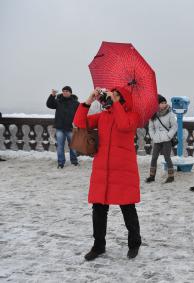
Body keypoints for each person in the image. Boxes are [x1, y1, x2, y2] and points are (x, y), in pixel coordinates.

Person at [73, 87, 142, 261]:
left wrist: (116, 103)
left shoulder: (133, 116)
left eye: (116, 95)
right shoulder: (104, 115)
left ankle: (134, 243)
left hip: (123, 170)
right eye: (111, 94)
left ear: (123, 100)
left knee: (127, 208)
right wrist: (89, 100)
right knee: (98, 209)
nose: (111, 97)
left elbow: (124, 125)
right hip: (102, 169)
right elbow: (80, 122)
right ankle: (98, 246)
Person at [146, 94, 177, 183]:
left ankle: (171, 177)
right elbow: (151, 127)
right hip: (157, 139)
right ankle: (152, 176)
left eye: (164, 102)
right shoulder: (153, 115)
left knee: (167, 157)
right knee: (154, 157)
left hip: (166, 139)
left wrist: (169, 135)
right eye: (161, 103)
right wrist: (153, 137)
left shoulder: (170, 114)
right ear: (157, 104)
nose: (164, 104)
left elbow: (174, 126)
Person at [46, 86, 79, 168]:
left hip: (71, 128)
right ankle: (61, 163)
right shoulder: (58, 101)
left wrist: (77, 125)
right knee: (60, 146)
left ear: (70, 92)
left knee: (73, 146)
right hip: (60, 128)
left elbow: (79, 115)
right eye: (63, 91)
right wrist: (52, 95)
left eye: (67, 91)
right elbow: (49, 104)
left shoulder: (76, 103)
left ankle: (74, 161)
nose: (65, 92)